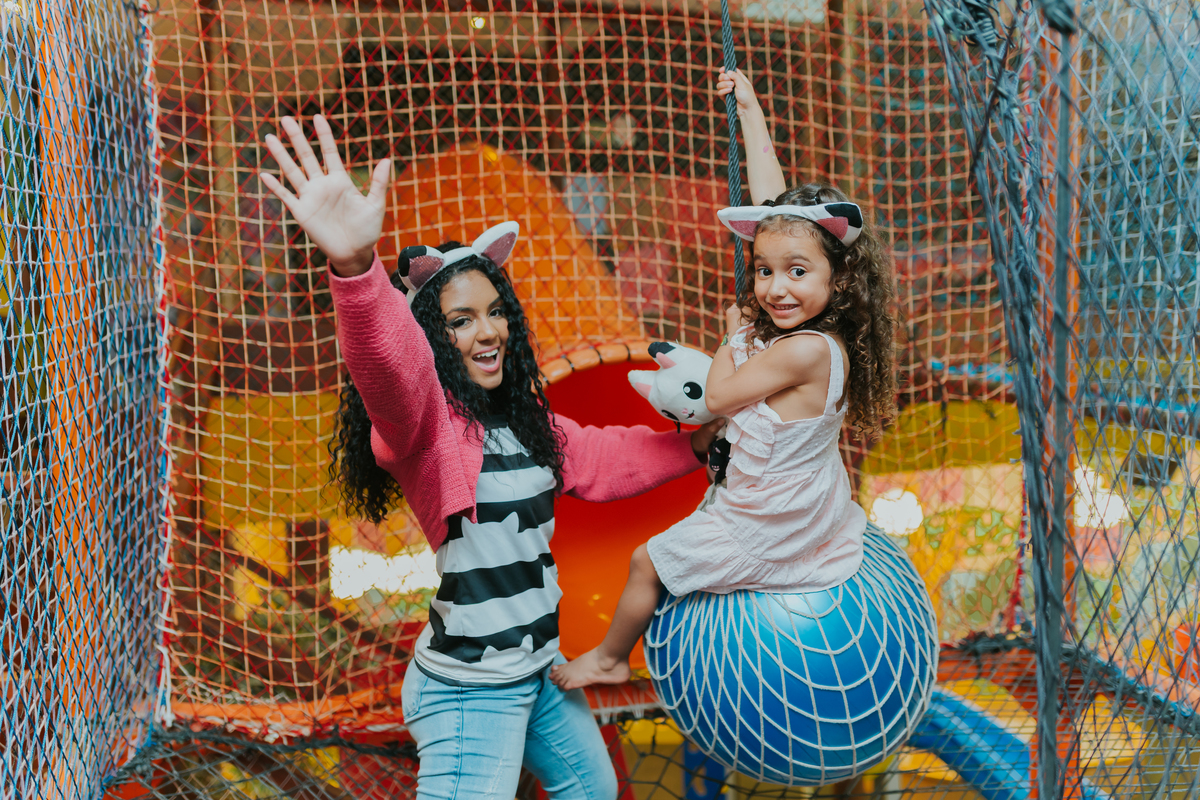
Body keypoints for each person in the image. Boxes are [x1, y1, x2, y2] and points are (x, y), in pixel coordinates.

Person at [259, 115, 721, 800]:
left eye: (495, 310)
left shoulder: (521, 423)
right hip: (472, 690)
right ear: (435, 338)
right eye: (461, 319)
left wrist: (696, 446)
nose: (489, 330)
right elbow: (389, 367)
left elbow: (603, 459)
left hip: (538, 669)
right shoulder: (422, 427)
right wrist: (358, 271)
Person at [550, 68, 898, 691]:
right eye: (764, 270)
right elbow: (772, 203)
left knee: (645, 562)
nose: (774, 287)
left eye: (796, 271)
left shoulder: (807, 352)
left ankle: (607, 658)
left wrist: (732, 332)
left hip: (769, 524)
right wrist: (750, 106)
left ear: (838, 280)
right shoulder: (819, 336)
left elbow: (715, 396)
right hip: (802, 496)